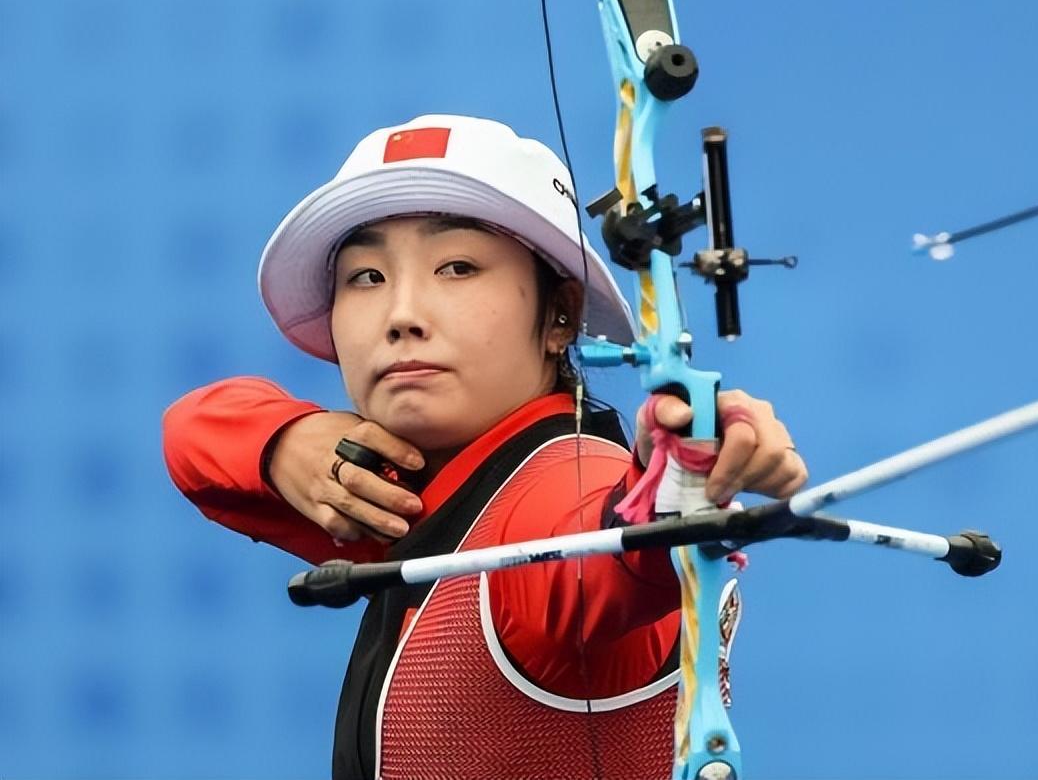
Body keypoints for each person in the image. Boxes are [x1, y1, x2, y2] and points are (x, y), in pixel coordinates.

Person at [161, 114, 808, 779]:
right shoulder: (402, 491)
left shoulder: (555, 495)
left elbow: (604, 555)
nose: (402, 315)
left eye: (457, 267)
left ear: (560, 314)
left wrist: (679, 474)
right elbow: (192, 431)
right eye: (367, 277)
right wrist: (287, 442)